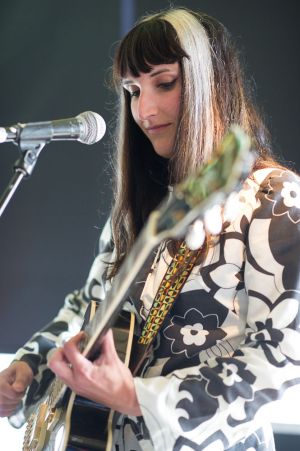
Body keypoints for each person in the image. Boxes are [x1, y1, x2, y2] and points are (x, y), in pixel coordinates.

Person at [0, 6, 300, 450]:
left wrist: (139, 398)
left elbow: (281, 363)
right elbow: (87, 308)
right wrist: (32, 366)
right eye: (132, 90)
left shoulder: (275, 200)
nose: (144, 109)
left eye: (164, 83)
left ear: (210, 83)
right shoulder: (144, 209)